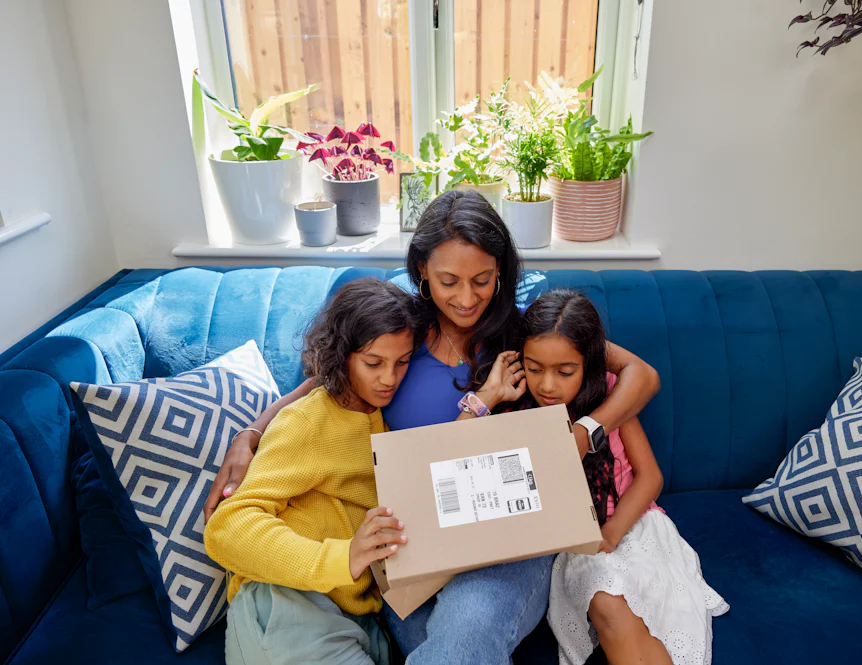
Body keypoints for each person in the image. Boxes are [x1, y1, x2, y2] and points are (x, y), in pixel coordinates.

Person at [203, 190, 662, 664]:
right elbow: (330, 377)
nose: (466, 299)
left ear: (500, 271)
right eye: (449, 281)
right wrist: (251, 432)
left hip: (507, 532)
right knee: (443, 648)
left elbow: (641, 375)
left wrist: (589, 429)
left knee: (467, 632)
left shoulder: (524, 335)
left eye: (483, 280)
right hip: (415, 539)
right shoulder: (400, 331)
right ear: (421, 270)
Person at [483, 290, 728, 665]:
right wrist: (487, 398)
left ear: (588, 365)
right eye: (534, 369)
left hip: (634, 524)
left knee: (652, 612)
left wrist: (611, 533)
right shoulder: (517, 410)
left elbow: (649, 477)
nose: (547, 385)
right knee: (608, 601)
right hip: (578, 543)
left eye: (565, 372)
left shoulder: (611, 396)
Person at [203, 279, 418, 665]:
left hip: (362, 621)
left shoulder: (383, 417)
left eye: (402, 362)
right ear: (342, 355)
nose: (390, 378)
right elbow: (227, 527)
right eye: (374, 363)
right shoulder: (308, 421)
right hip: (288, 609)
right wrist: (342, 557)